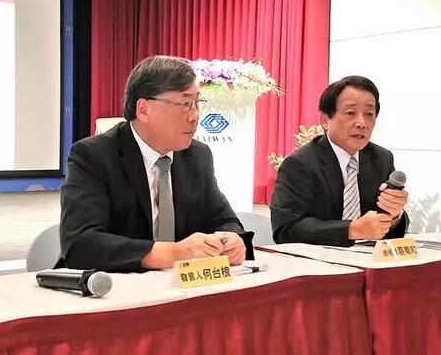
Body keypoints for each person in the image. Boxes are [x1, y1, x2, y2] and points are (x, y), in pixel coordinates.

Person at [58, 55, 253, 272]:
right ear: (143, 109)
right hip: (113, 285)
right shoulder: (94, 155)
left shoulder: (197, 155)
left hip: (177, 286)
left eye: (197, 103)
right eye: (185, 104)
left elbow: (223, 219)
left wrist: (232, 239)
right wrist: (174, 253)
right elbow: (81, 244)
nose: (195, 116)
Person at [271, 75, 409, 246]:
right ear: (325, 120)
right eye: (351, 113)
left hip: (369, 258)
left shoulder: (381, 159)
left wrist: (394, 215)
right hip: (319, 259)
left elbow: (390, 231)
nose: (362, 123)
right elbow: (286, 230)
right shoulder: (299, 165)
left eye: (369, 114)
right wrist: (352, 229)